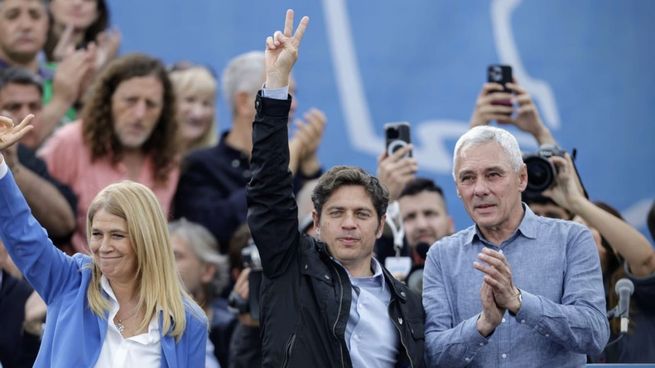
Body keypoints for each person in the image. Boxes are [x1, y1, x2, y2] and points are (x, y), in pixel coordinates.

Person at [247, 10, 424, 367]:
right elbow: (268, 189)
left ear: (380, 224)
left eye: (361, 214)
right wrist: (277, 83)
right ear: (316, 220)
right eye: (336, 213)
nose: (348, 223)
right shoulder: (291, 267)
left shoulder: (408, 301)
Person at [0, 113, 207, 367]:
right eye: (97, 234)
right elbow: (22, 233)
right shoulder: (70, 282)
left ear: (146, 239)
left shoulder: (187, 322)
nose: (103, 246)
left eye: (117, 235)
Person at [423, 125, 609, 366]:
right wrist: (483, 325)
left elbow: (594, 335)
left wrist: (519, 302)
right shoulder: (441, 255)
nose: (480, 189)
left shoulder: (572, 239)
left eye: (493, 175)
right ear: (458, 189)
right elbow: (431, 356)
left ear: (522, 178)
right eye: (468, 178)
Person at [38, 53, 180, 253]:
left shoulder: (168, 160)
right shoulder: (70, 142)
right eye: (130, 101)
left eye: (151, 104)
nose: (140, 114)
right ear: (108, 101)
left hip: (144, 280)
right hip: (78, 277)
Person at [543, 154, 655, 363]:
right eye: (572, 230)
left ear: (611, 243)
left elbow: (646, 260)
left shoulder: (633, 290)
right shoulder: (557, 297)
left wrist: (576, 202)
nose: (575, 237)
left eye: (585, 229)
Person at [0, 0, 96, 148]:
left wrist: (82, 100)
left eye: (35, 16)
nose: (26, 25)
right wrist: (62, 100)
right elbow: (11, 150)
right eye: (13, 16)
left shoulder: (64, 74)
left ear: (48, 25)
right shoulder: (64, 85)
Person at [0, 67, 76, 248]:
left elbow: (65, 224)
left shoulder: (46, 159)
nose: (26, 115)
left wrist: (12, 165)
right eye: (13, 107)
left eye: (34, 107)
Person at [169, 218, 235, 368]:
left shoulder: (231, 328)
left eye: (175, 256)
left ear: (207, 270)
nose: (164, 265)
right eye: (160, 256)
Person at [397, 178, 454, 294]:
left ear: (450, 224)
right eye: (410, 217)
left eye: (429, 213)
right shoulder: (383, 272)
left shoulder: (474, 267)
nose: (421, 225)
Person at [44, 0, 120, 66]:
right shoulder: (36, 49)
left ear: (98, 12)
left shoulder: (103, 54)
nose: (78, 3)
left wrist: (106, 67)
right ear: (51, 4)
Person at [168, 64, 218, 155]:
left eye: (206, 104)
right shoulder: (143, 156)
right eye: (190, 100)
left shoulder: (218, 164)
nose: (198, 113)